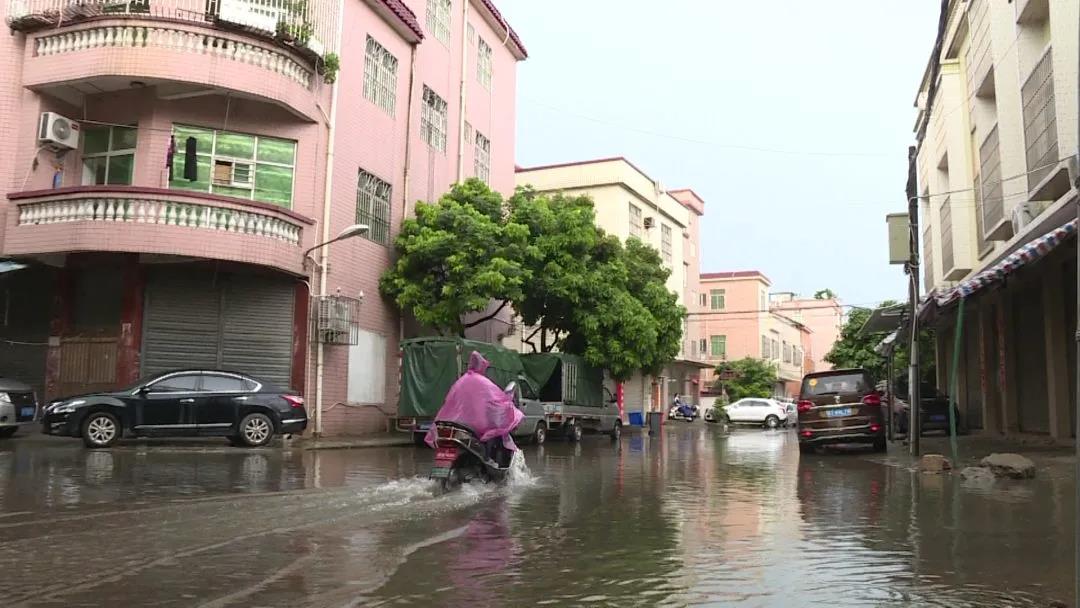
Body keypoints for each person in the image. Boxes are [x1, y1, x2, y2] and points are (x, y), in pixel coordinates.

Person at [425, 351, 524, 465]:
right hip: (474, 427)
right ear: (481, 365)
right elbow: (497, 400)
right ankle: (488, 461)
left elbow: (449, 401)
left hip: (453, 423)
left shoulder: (460, 381)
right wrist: (509, 406)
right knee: (490, 435)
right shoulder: (483, 382)